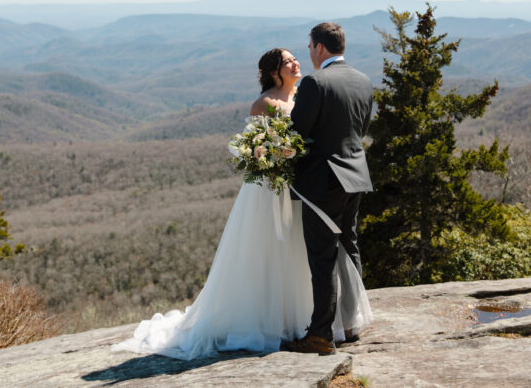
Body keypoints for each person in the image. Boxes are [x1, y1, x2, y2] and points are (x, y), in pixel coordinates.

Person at [111, 47, 371, 360]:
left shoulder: (307, 94)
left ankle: (303, 320)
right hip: (271, 190)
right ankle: (268, 320)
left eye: (295, 58)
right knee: (269, 252)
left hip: (306, 190)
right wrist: (272, 157)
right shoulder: (264, 103)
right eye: (288, 61)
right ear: (274, 71)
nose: (296, 63)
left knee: (302, 255)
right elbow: (256, 147)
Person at [283, 22, 374, 356]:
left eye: (309, 46)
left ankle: (321, 334)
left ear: (319, 48)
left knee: (322, 259)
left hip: (323, 182)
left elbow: (297, 132)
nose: (309, 52)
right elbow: (360, 128)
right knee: (349, 248)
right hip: (356, 176)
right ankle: (352, 325)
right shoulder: (363, 80)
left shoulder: (315, 82)